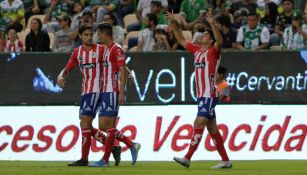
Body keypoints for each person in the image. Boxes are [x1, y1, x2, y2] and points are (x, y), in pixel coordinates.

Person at [167, 9, 232, 169]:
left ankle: (187, 157)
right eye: (203, 34)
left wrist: (212, 24)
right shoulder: (196, 51)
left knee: (199, 121)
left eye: (205, 35)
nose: (202, 36)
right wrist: (173, 22)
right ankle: (225, 160)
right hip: (201, 96)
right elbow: (181, 39)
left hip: (210, 95)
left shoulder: (213, 52)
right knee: (212, 129)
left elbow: (220, 41)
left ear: (210, 41)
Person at [88, 22, 141, 167]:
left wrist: (122, 92)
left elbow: (122, 68)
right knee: (103, 126)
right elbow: (122, 66)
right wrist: (129, 74)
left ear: (104, 34)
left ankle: (105, 160)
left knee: (110, 125)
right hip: (105, 91)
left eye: (99, 34)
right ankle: (131, 144)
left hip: (113, 90)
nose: (97, 36)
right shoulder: (106, 49)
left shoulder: (116, 49)